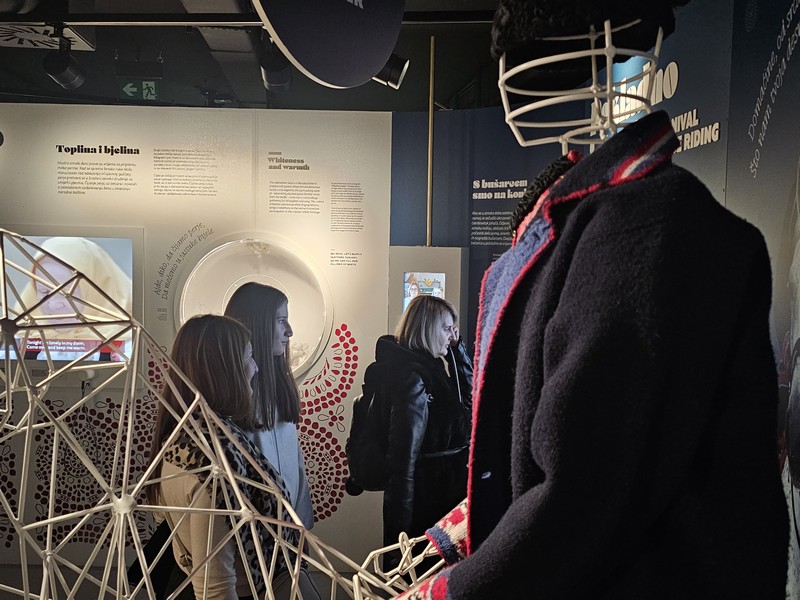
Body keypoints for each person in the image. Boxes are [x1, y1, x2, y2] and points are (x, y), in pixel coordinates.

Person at [395, 1, 789, 598]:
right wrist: (456, 535)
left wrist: (447, 591)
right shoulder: (601, 224)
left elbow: (583, 490)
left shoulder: (649, 228)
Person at [147, 314, 319, 600]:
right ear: (224, 371)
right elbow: (215, 587)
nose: (256, 367)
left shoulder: (194, 437)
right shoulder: (210, 461)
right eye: (249, 357)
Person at [363, 295, 472, 570]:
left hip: (441, 499)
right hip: (429, 505)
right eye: (446, 329)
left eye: (454, 330)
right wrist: (397, 539)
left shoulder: (431, 369)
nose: (452, 336)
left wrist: (457, 351)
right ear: (427, 329)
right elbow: (403, 462)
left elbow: (469, 402)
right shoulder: (413, 377)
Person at [224, 283, 314, 530]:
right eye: (281, 321)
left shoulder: (280, 386)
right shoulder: (231, 397)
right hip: (255, 532)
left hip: (287, 527)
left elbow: (295, 464)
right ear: (258, 324)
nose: (289, 331)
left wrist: (302, 526)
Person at [17, 236, 132, 361]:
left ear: (99, 290)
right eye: (45, 292)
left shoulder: (132, 345)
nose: (53, 305)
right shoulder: (20, 338)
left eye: (67, 292)